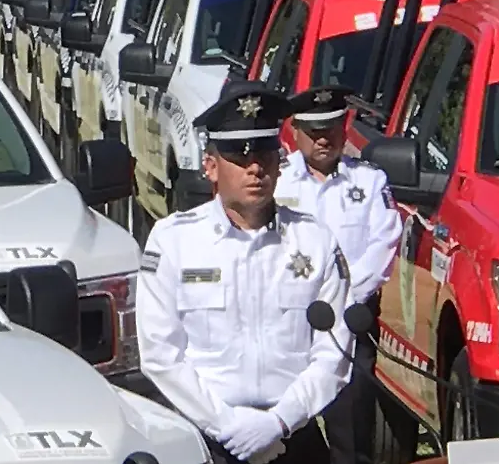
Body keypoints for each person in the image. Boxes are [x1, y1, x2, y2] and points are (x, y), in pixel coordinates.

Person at [137, 80, 352, 464]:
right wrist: (225, 425)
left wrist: (279, 422)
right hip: (204, 438)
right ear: (211, 166)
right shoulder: (173, 242)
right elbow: (160, 354)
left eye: (265, 155)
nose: (255, 168)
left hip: (293, 436)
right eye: (239, 156)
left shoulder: (314, 240)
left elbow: (333, 353)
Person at [274, 84, 402, 464]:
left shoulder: (369, 181)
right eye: (313, 131)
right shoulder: (277, 181)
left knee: (352, 432)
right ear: (295, 131)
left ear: (344, 127)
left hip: (349, 319)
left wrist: (341, 296)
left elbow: (384, 243)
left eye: (330, 129)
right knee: (287, 432)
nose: (323, 139)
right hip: (288, 320)